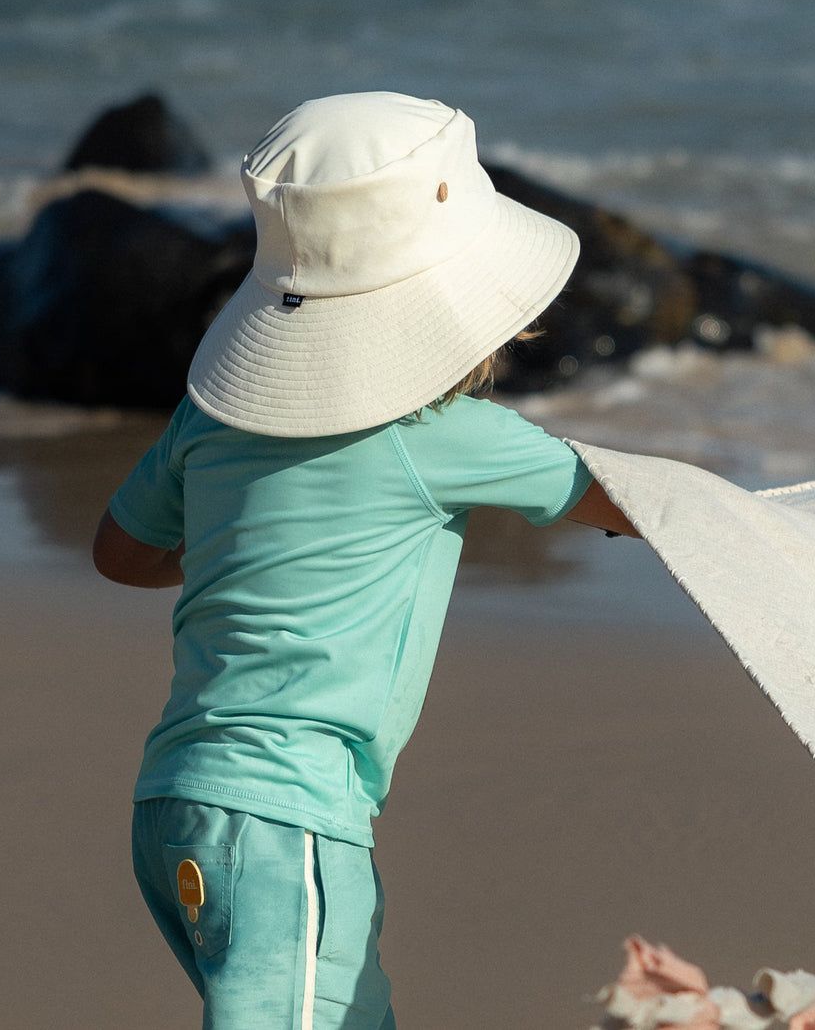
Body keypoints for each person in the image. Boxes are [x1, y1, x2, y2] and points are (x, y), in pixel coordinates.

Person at [93, 91, 636, 1030]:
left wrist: (258, 553)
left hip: (174, 800)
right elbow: (638, 507)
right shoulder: (448, 433)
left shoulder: (211, 414)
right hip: (285, 822)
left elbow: (121, 550)